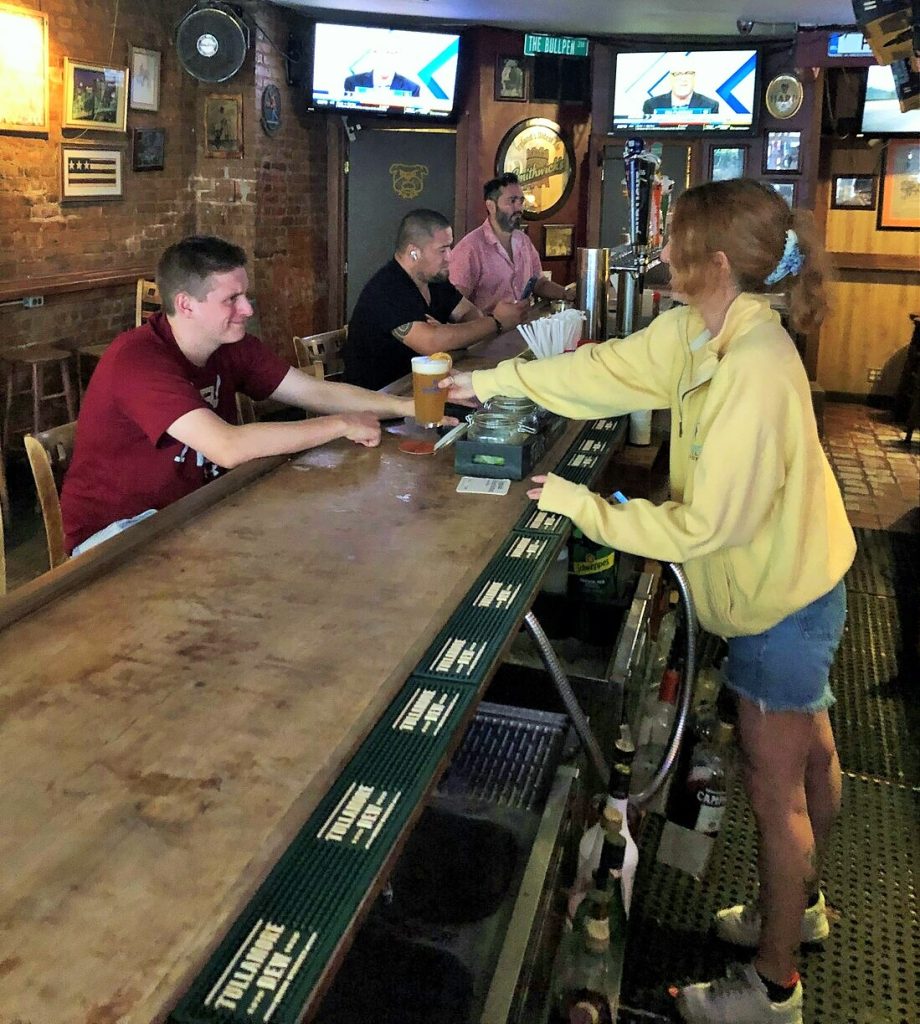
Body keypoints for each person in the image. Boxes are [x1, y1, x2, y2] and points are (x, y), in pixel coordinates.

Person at [443, 178, 855, 1024]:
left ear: (715, 263)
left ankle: (774, 985)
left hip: (782, 602)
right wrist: (492, 386)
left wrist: (580, 505)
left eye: (674, 241)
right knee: (809, 755)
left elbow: (703, 528)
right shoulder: (703, 331)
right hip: (794, 581)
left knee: (775, 789)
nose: (661, 252)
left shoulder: (755, 368)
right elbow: (605, 370)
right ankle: (801, 905)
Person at [61, 235, 418, 557]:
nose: (247, 309)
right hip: (119, 535)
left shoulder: (230, 344)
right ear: (186, 305)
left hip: (196, 511)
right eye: (232, 299)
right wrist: (340, 425)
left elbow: (314, 391)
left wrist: (408, 405)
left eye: (244, 295)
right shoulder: (138, 360)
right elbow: (227, 446)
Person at [344, 209, 527, 391]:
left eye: (450, 247)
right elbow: (431, 343)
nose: (450, 257)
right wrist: (497, 322)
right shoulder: (388, 289)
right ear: (414, 252)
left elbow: (471, 314)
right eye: (442, 250)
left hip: (420, 387)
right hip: (380, 397)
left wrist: (446, 334)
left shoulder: (434, 280)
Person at [449, 173, 568, 314]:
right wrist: (490, 322)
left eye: (521, 201)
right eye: (512, 201)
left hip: (525, 325)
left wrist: (567, 293)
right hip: (489, 327)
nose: (519, 208)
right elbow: (455, 304)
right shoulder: (470, 248)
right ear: (491, 206)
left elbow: (538, 283)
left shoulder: (524, 241)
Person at [643, 58, 719, 115]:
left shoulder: (710, 105)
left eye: (688, 73)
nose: (683, 79)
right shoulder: (651, 105)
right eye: (678, 74)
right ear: (670, 78)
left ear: (694, 77)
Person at [344, 47, 420, 97]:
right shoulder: (352, 82)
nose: (386, 58)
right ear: (373, 55)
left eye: (391, 53)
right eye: (381, 53)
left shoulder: (412, 88)